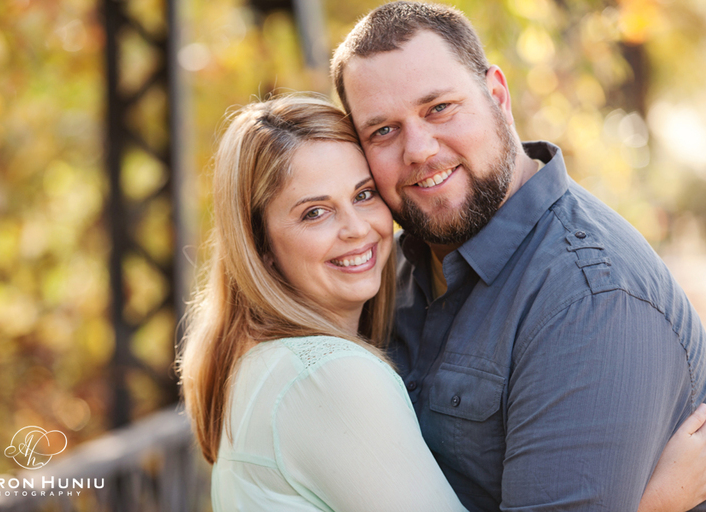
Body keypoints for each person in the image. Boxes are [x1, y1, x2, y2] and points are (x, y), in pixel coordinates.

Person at [178, 94, 706, 512]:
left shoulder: (264, 360)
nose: (356, 229)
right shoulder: (328, 376)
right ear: (262, 248)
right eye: (315, 213)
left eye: (364, 195)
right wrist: (654, 501)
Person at [330, 2, 706, 510]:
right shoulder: (379, 272)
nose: (418, 149)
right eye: (383, 131)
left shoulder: (589, 301)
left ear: (497, 95)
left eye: (439, 107)